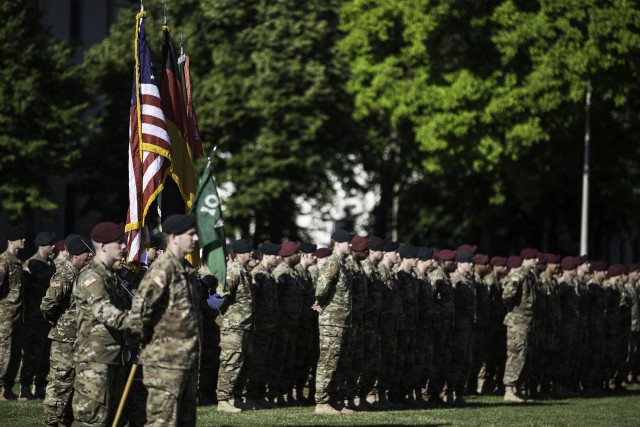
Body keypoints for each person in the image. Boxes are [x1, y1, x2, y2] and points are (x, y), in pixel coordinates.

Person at [130, 214, 203, 426]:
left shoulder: (186, 270)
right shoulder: (162, 270)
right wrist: (150, 347)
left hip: (187, 361)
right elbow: (138, 314)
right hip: (164, 364)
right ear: (173, 237)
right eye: (190, 234)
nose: (195, 238)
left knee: (185, 421)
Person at [72, 222, 132, 426]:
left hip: (113, 357)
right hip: (95, 361)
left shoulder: (110, 276)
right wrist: (141, 320)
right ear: (103, 245)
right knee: (93, 420)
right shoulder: (92, 276)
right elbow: (105, 312)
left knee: (114, 419)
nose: (124, 247)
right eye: (119, 243)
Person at [41, 234, 93, 426]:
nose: (90, 256)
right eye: (86, 252)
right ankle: (51, 422)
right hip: (64, 341)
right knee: (59, 384)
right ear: (76, 255)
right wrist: (55, 321)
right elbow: (47, 304)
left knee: (74, 386)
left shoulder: (82, 274)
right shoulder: (65, 274)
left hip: (79, 339)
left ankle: (65, 422)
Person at [314, 229, 353, 415]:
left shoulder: (342, 264)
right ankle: (322, 403)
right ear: (338, 243)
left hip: (342, 320)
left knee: (339, 362)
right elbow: (321, 288)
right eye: (348, 242)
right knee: (328, 361)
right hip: (331, 321)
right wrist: (320, 303)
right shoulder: (332, 262)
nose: (351, 245)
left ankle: (335, 400)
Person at [216, 238, 254, 413]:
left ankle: (235, 398)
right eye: (248, 250)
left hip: (243, 327)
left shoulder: (244, 271)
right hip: (233, 327)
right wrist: (224, 319)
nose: (251, 253)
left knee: (241, 364)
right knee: (230, 363)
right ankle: (223, 400)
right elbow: (220, 297)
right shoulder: (233, 271)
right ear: (240, 253)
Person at [21, 230, 57, 400]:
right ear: (42, 246)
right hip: (33, 317)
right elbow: (23, 291)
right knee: (31, 353)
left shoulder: (52, 265)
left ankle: (40, 387)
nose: (54, 247)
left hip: (48, 319)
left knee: (45, 355)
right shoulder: (31, 264)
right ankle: (25, 387)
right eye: (51, 244)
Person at [502, 249, 538, 402]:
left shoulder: (530, 276)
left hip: (527, 323)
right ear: (527, 259)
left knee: (523, 357)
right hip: (517, 323)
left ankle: (517, 389)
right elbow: (507, 295)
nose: (536, 261)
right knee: (515, 356)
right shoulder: (519, 275)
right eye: (534, 258)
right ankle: (509, 390)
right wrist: (513, 310)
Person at [0, 225, 26, 400]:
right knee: (3, 353)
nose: (24, 240)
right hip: (5, 316)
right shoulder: (4, 260)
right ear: (11, 241)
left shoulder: (17, 262)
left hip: (17, 315)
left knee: (15, 354)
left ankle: (7, 389)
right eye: (20, 238)